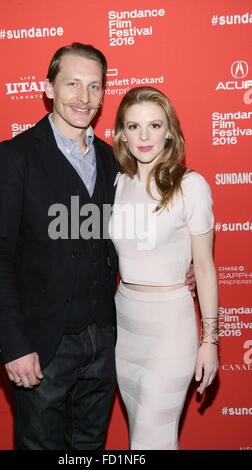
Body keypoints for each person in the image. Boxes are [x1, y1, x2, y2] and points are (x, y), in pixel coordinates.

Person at [0, 43, 195, 450]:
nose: (83, 97)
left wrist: (178, 266)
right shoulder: (14, 157)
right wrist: (15, 345)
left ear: (103, 93)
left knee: (90, 448)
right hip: (43, 346)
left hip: (105, 341)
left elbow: (149, 222)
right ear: (48, 88)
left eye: (94, 86)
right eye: (72, 84)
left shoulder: (115, 159)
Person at [110, 86, 219, 450]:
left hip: (171, 329)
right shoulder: (118, 183)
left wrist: (210, 341)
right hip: (124, 324)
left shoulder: (191, 186)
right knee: (139, 433)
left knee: (151, 438)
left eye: (154, 125)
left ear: (169, 130)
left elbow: (204, 268)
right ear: (121, 133)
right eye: (134, 126)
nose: (144, 137)